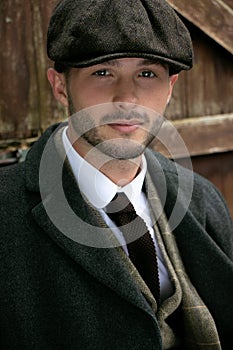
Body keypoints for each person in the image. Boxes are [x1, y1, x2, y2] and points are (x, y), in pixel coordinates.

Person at [0, 0, 232, 349]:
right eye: (103, 73)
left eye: (147, 73)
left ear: (169, 88)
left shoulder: (202, 197)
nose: (127, 97)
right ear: (60, 86)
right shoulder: (6, 214)